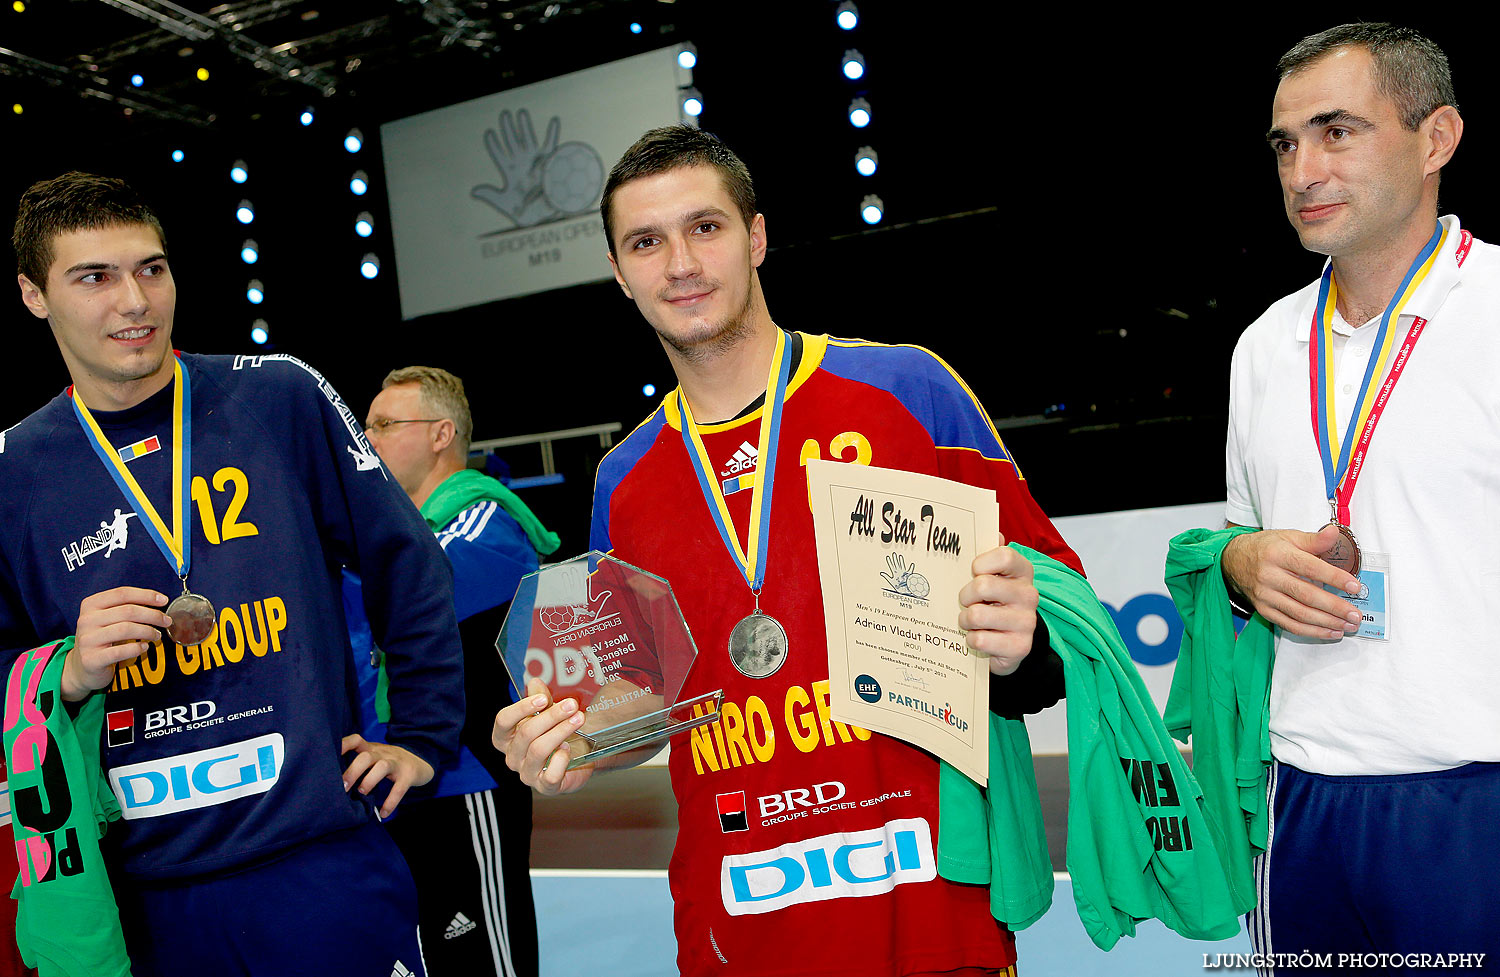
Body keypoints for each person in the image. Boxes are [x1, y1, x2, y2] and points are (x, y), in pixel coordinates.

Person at [493, 125, 1081, 977]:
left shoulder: (907, 390)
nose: (681, 264)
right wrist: (564, 744)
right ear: (621, 275)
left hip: (930, 911)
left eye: (706, 227)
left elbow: (1060, 619)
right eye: (646, 242)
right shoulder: (622, 478)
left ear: (757, 236)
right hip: (739, 927)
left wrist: (1026, 641)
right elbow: (629, 709)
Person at [1, 171, 464, 976]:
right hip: (147, 894)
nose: (135, 300)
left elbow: (409, 563)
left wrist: (423, 738)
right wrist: (65, 673)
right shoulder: (13, 471)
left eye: (151, 268)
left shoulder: (279, 395)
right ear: (34, 295)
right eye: (94, 277)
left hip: (319, 866)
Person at [1216, 24, 1500, 960]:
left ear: (1437, 139)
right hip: (1303, 795)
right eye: (1285, 143)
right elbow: (1240, 537)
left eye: (1337, 131)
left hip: (1475, 794)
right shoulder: (1262, 346)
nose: (1303, 170)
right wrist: (1242, 559)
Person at [356, 365, 557, 977]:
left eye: (385, 425)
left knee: (484, 963)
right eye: (364, 426)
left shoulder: (485, 520)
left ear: (442, 434)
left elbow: (410, 595)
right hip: (390, 776)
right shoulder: (391, 535)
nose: (366, 439)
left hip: (462, 784)